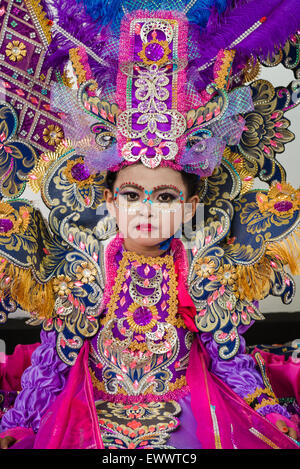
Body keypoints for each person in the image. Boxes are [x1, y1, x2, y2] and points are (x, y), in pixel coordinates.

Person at [0, 0, 300, 450]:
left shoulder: (199, 272)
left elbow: (227, 358)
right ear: (110, 201)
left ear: (189, 206)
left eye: (164, 198)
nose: (146, 210)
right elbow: (53, 365)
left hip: (183, 417)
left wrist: (266, 409)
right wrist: (20, 423)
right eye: (132, 195)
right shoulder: (90, 270)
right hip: (92, 417)